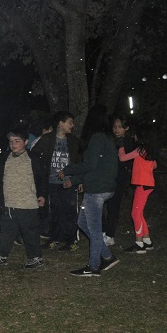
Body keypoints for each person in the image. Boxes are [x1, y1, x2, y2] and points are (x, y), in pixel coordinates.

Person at [59, 119, 119, 277]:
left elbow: (89, 165)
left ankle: (93, 267)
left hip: (97, 191)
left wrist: (68, 170)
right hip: (101, 187)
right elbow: (96, 169)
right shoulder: (107, 139)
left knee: (94, 229)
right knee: (83, 223)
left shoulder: (97, 138)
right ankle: (107, 257)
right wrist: (75, 180)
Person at [0, 129, 47, 269]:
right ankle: (1, 256)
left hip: (28, 204)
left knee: (30, 233)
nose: (13, 144)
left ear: (26, 142)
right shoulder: (5, 157)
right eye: (11, 141)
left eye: (17, 141)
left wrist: (42, 195)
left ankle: (35, 258)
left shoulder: (33, 158)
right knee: (6, 232)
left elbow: (41, 179)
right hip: (8, 204)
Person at [32, 112, 81, 250]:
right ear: (60, 123)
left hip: (68, 182)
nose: (72, 125)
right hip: (51, 182)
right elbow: (34, 154)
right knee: (54, 212)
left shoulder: (73, 141)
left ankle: (72, 240)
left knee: (70, 211)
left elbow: (78, 162)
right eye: (70, 122)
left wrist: (78, 180)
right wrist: (42, 171)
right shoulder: (47, 138)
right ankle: (54, 238)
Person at [119, 122, 158, 253]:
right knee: (139, 213)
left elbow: (123, 158)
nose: (134, 136)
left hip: (142, 185)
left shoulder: (140, 150)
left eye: (135, 134)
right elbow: (155, 166)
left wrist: (121, 146)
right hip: (149, 184)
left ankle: (139, 243)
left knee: (135, 214)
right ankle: (147, 241)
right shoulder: (149, 150)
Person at [103, 115, 135, 246]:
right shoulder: (110, 140)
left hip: (119, 178)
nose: (116, 129)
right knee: (102, 204)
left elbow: (127, 160)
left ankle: (110, 234)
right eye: (115, 126)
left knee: (113, 206)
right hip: (108, 176)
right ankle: (104, 231)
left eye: (120, 127)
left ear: (126, 128)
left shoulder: (127, 142)